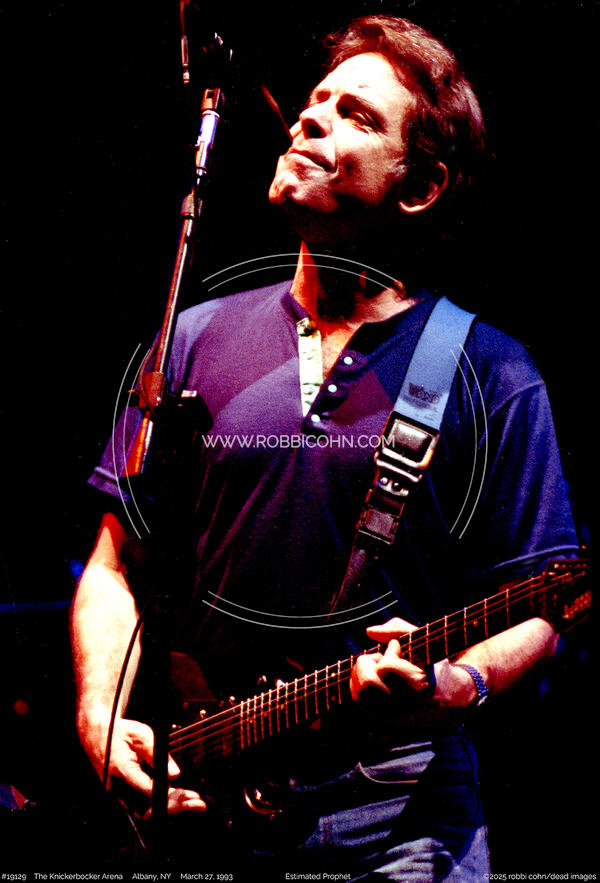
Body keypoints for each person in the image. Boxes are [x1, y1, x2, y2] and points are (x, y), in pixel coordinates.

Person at [71, 15, 580, 880]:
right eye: (316, 100)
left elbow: (546, 598)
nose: (311, 117)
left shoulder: (492, 371)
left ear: (419, 186)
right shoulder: (190, 339)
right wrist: (99, 712)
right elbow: (115, 566)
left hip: (402, 820)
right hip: (207, 808)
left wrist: (458, 683)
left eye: (357, 115)